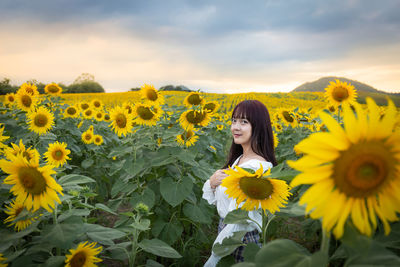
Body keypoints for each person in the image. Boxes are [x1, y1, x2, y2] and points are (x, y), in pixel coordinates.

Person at [202, 100, 277, 266]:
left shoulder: (256, 167)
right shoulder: (240, 160)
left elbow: (239, 219)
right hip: (228, 230)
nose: (235, 127)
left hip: (239, 236)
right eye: (234, 120)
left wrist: (214, 256)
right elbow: (222, 200)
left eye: (244, 122)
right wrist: (212, 184)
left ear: (258, 126)